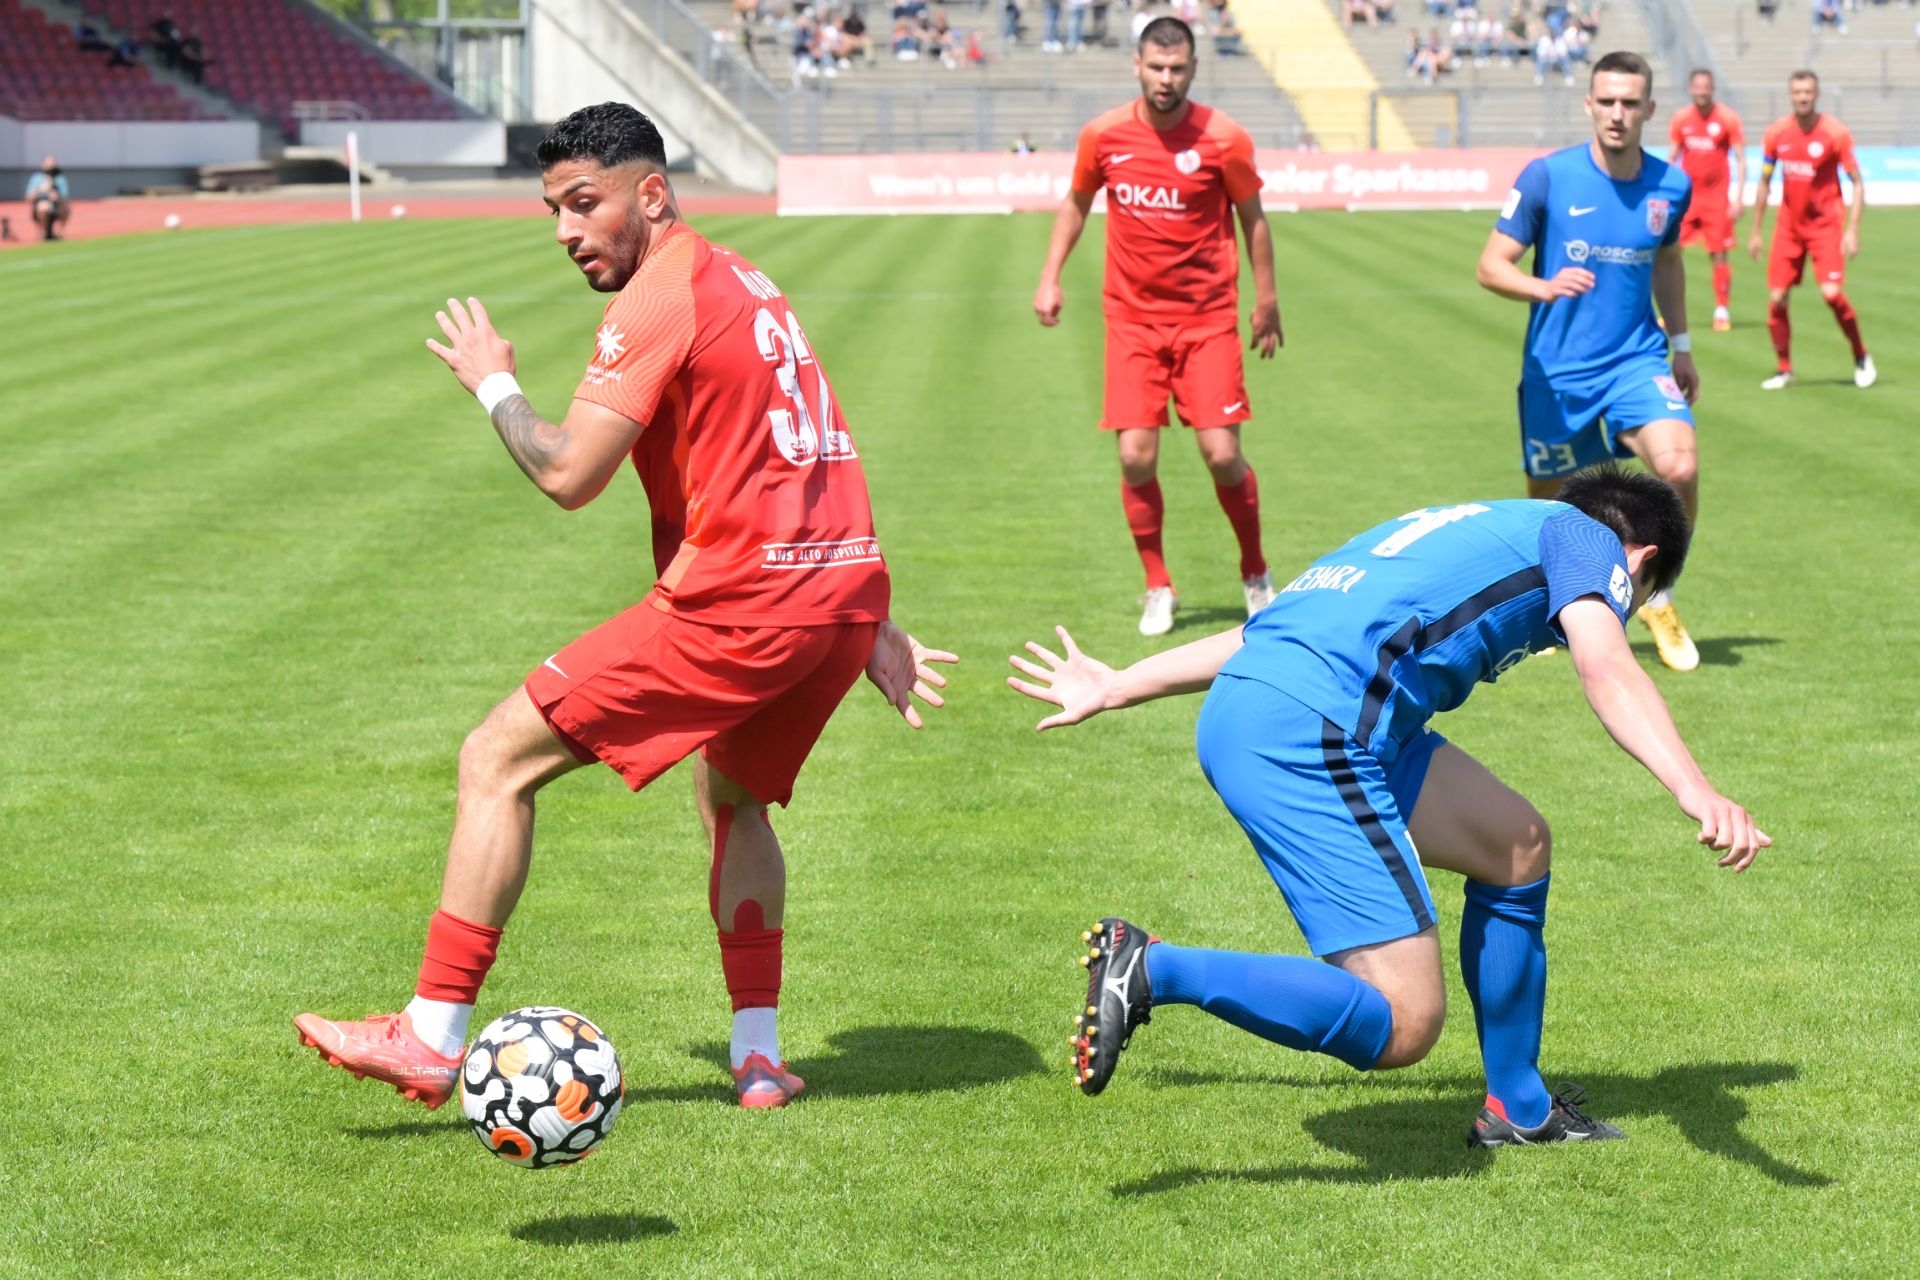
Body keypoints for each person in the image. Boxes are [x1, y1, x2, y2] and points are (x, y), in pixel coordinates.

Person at [293, 103, 956, 1113]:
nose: (566, 230)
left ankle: (431, 1032)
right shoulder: (746, 279)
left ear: (651, 193)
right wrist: (859, 612)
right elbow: (807, 445)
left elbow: (569, 472)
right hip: (829, 593)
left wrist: (494, 384)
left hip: (741, 606)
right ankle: (759, 1055)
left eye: (584, 202)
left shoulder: (658, 297)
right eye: (554, 210)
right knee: (731, 797)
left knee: (495, 759)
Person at [1008, 468, 1769, 1147]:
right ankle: (1154, 968)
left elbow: (1262, 634)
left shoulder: (1460, 526)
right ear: (1638, 561)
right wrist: (1694, 788)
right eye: (1637, 598)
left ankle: (1519, 1106)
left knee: (1515, 843)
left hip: (1284, 712)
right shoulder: (1588, 541)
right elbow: (1606, 666)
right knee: (1404, 1021)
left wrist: (1119, 685)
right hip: (1309, 730)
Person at [1033, 17, 1282, 637]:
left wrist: (1267, 300)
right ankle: (1157, 585)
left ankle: (1255, 573)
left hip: (1207, 321)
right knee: (1135, 456)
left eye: (1177, 68)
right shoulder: (1103, 135)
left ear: (1192, 69)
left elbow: (1252, 217)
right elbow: (1076, 203)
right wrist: (1050, 276)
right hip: (1132, 322)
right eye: (1156, 67)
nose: (1166, 79)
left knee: (1222, 453)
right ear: (1137, 67)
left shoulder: (1224, 138)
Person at [1475, 51, 1703, 674]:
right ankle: (1551, 609)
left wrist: (1682, 344)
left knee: (1679, 465)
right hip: (1558, 371)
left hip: (1636, 360)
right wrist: (1542, 287)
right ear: (1589, 104)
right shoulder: (1548, 177)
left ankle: (1656, 595)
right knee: (1549, 507)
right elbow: (1490, 265)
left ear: (1649, 108)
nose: (1617, 113)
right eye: (1607, 101)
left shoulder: (1671, 186)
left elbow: (1668, 260)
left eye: (1630, 102)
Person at [1748, 71, 1873, 391]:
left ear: (1816, 95)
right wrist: (1756, 231)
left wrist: (1852, 230)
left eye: (1808, 92)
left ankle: (1861, 355)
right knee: (1776, 299)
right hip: (1789, 228)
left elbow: (1858, 183)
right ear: (1790, 95)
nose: (1802, 97)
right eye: (1797, 92)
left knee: (1832, 294)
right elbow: (1764, 181)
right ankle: (1784, 369)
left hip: (1825, 227)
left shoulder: (1835, 133)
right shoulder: (1777, 134)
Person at [1668, 69, 1746, 332]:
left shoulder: (1727, 118)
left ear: (1712, 89)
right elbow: (1672, 158)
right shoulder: (1681, 119)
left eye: (1706, 87)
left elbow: (1740, 159)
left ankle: (1721, 310)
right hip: (1688, 199)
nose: (1702, 91)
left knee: (1719, 254)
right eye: (1697, 87)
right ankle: (1668, 311)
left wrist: (1738, 198)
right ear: (1691, 89)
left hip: (1717, 200)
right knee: (1670, 253)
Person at [24, 156, 70, 242]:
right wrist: (40, 190)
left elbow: (65, 198)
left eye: (52, 165)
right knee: (43, 206)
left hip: (57, 206)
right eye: (48, 165)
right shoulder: (37, 178)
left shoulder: (60, 178)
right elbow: (28, 198)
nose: (50, 168)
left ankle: (60, 232)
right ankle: (44, 233)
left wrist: (57, 197)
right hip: (40, 207)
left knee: (67, 207)